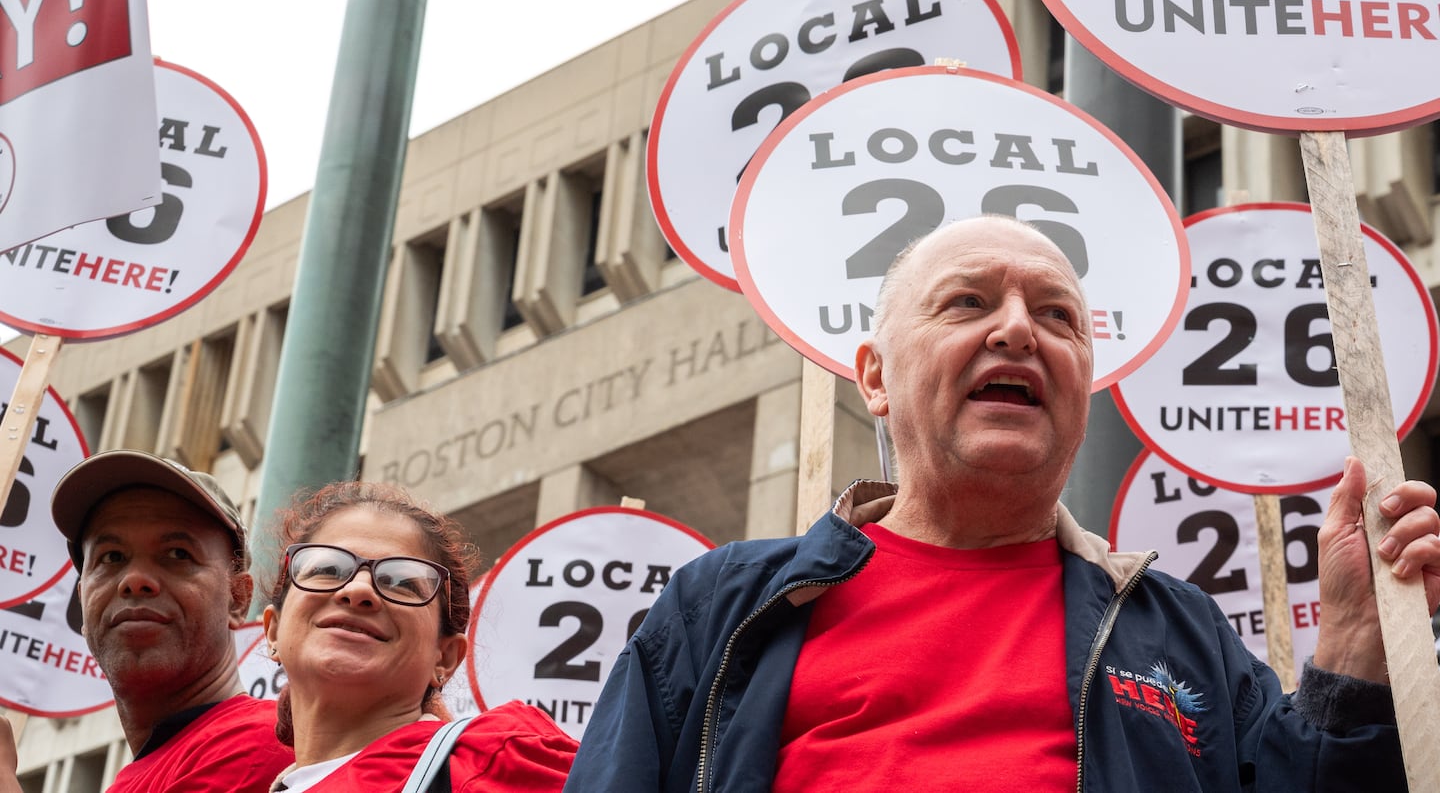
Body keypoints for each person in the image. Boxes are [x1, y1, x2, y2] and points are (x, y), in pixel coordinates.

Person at [566, 216, 1440, 792]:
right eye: (968, 303)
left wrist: (1359, 651)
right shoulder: (725, 605)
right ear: (874, 377)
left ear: (1083, 384)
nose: (1019, 329)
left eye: (1058, 317)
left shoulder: (1179, 631)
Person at [260, 481, 577, 791]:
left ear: (445, 657)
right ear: (273, 631)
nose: (357, 590)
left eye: (402, 583)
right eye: (327, 569)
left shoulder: (495, 764)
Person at [50, 449, 293, 792]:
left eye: (178, 554)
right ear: (82, 605)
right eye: (111, 557)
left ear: (237, 599)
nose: (134, 579)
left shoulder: (259, 744)